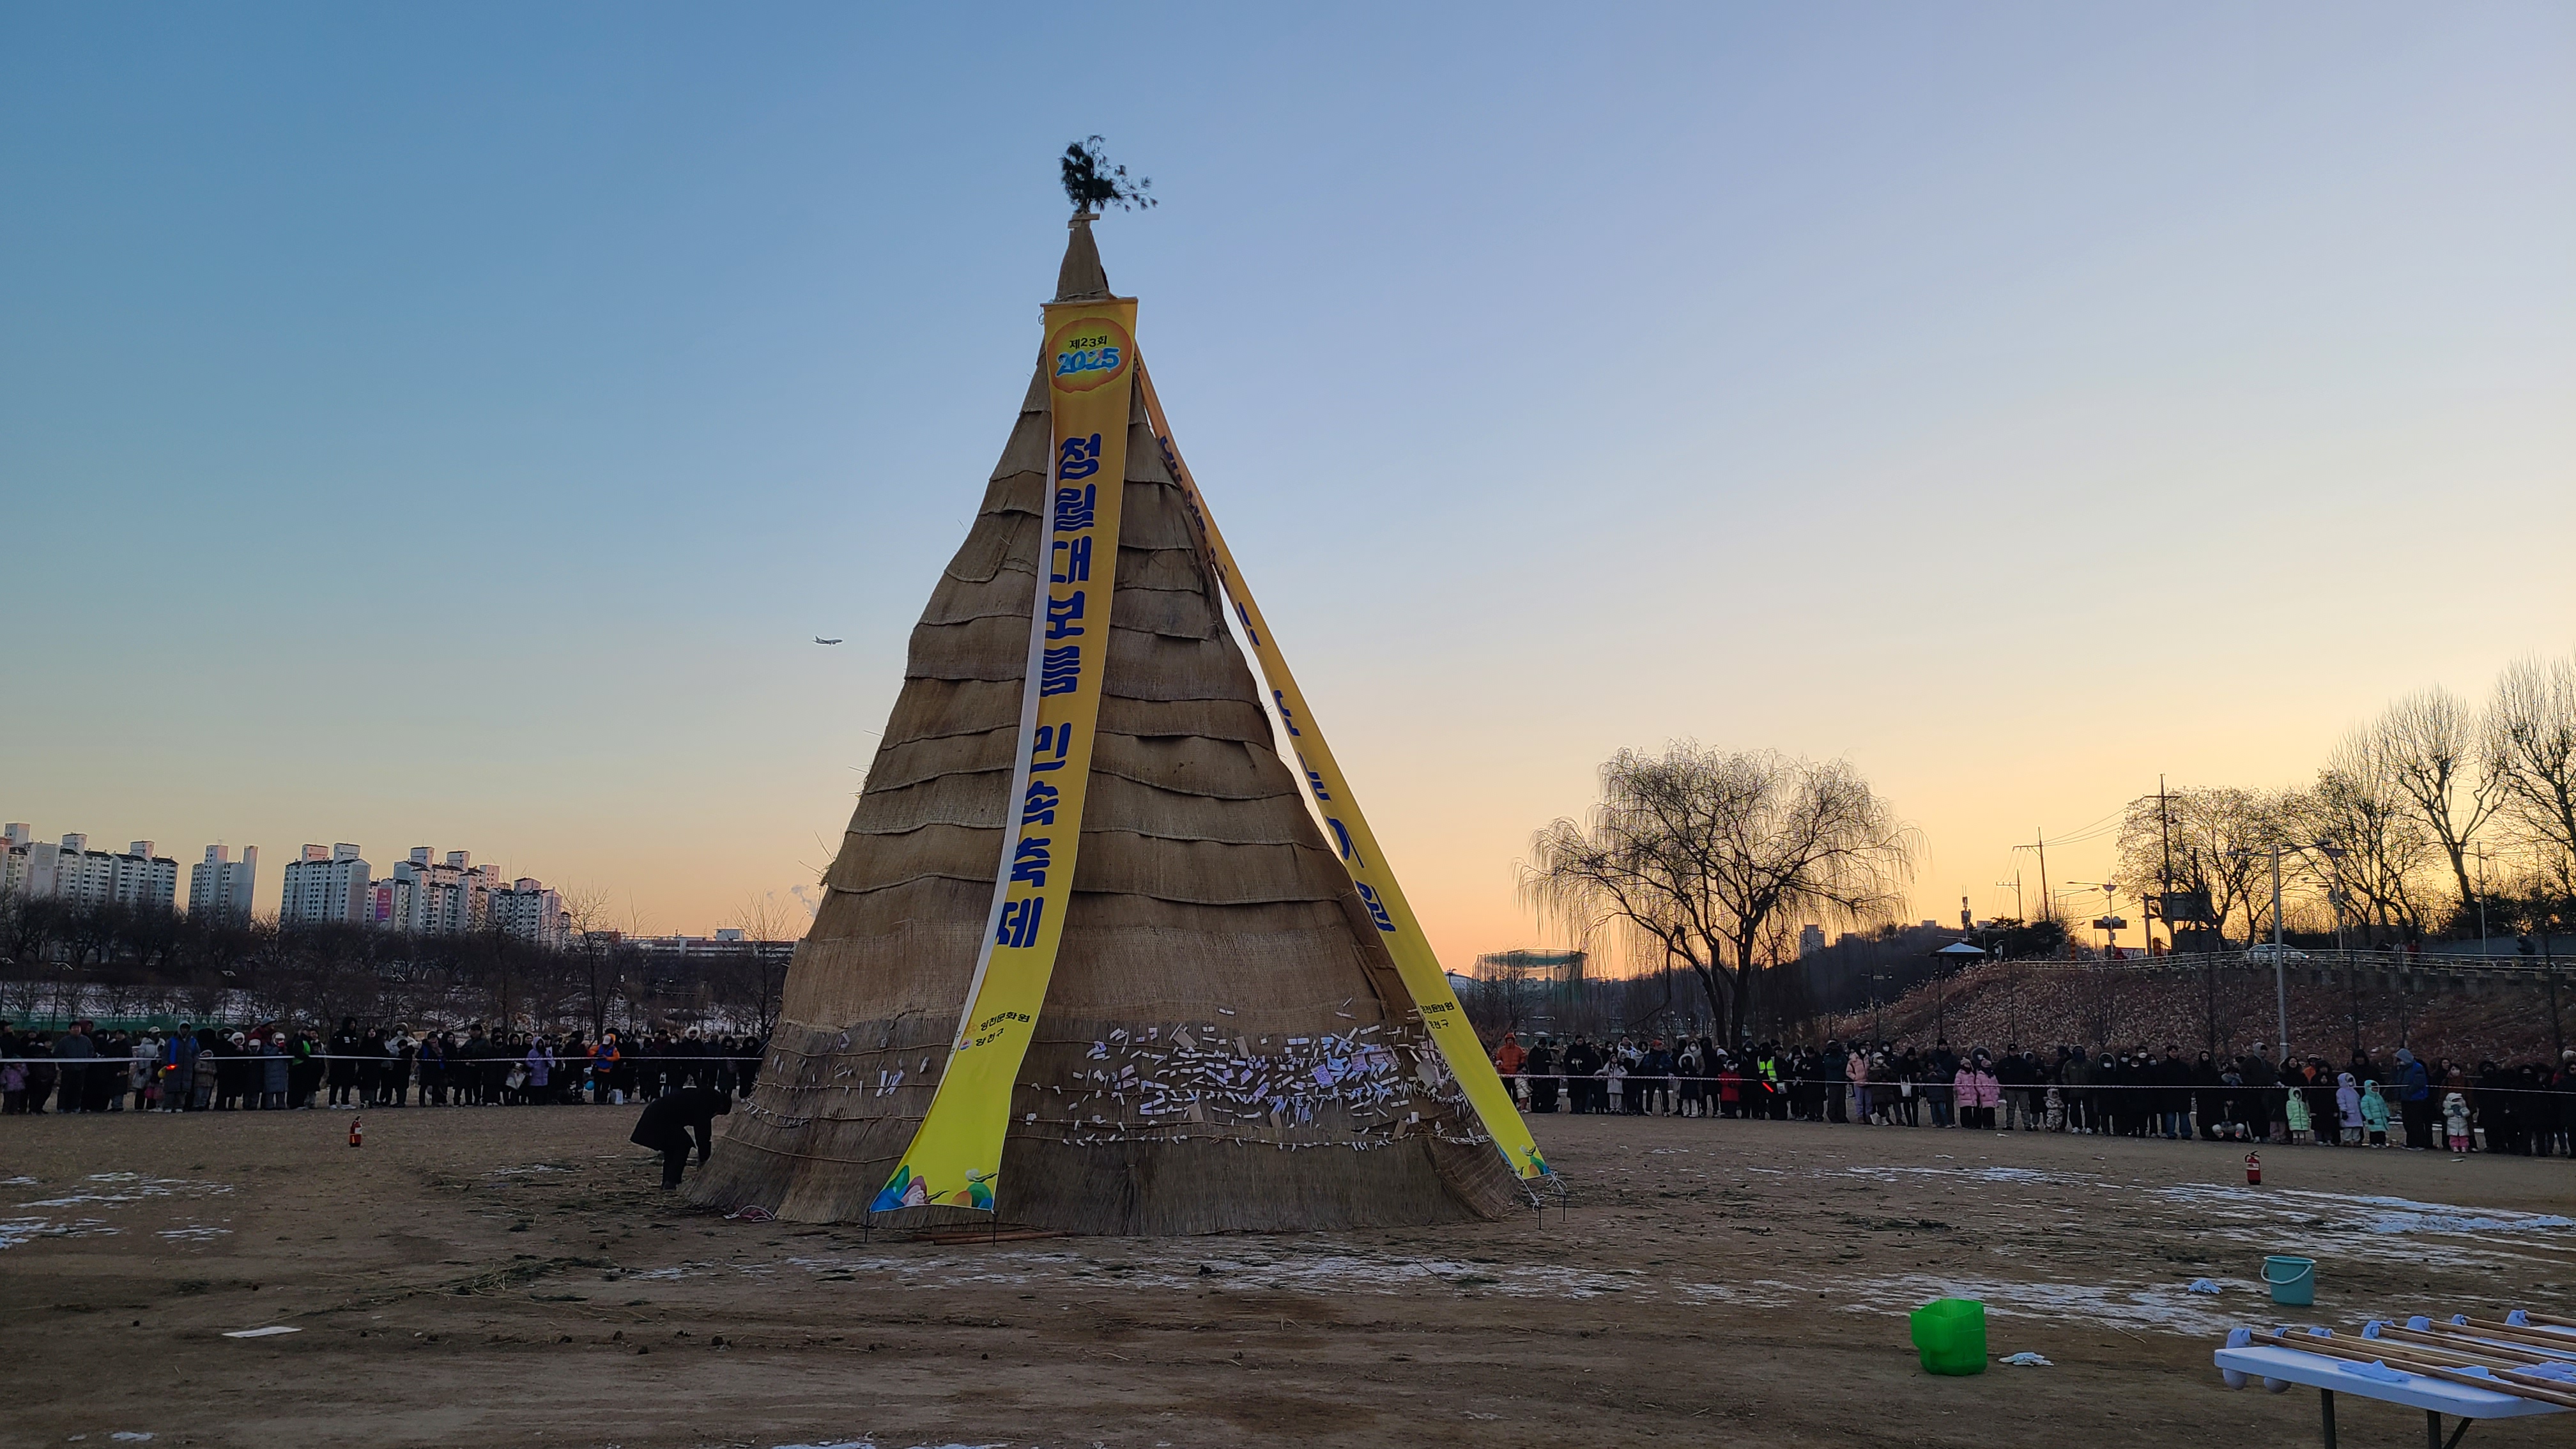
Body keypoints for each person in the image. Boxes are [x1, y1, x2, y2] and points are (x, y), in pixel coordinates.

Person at [629, 1085, 732, 1189]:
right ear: (720, 1107)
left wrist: (704, 1155)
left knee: (673, 1148)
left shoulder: (704, 1097)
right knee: (683, 1145)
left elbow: (704, 1131)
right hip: (658, 1120)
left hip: (658, 1117)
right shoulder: (706, 1103)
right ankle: (672, 1181)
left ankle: (668, 1182)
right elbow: (702, 1134)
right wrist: (704, 1159)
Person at [2442, 1089, 2472, 1157]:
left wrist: (2462, 1114)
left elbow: (2467, 1113)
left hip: (2463, 1125)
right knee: (2453, 1137)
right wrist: (2453, 1112)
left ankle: (2464, 1147)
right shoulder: (2449, 1108)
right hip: (2452, 1125)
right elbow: (2446, 1113)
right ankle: (2455, 1147)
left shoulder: (2463, 1107)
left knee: (2463, 1137)